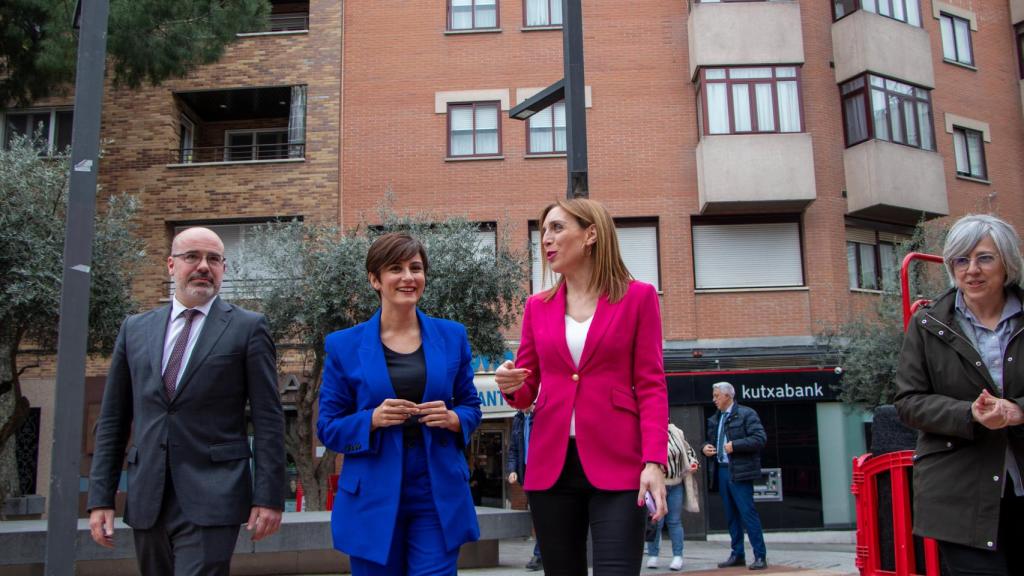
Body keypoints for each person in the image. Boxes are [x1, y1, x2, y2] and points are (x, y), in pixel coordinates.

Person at [87, 227, 286, 575]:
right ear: (171, 265)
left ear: (224, 268)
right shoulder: (134, 330)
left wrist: (269, 497)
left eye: (214, 259)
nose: (203, 266)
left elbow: (269, 419)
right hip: (149, 496)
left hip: (215, 494)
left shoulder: (248, 328)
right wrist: (100, 498)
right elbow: (114, 419)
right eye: (192, 256)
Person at [495, 198, 669, 576]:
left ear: (591, 234)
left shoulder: (638, 297)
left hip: (620, 464)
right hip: (551, 466)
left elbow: (652, 385)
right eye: (543, 233)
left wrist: (653, 462)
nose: (546, 240)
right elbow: (527, 389)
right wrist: (511, 385)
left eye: (557, 228)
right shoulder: (536, 306)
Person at [317, 232, 483, 576]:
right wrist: (372, 419)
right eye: (396, 268)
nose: (408, 277)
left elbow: (471, 407)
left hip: (436, 490)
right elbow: (328, 428)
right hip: (371, 495)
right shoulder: (343, 346)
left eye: (416, 268)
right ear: (374, 279)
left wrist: (453, 418)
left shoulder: (452, 336)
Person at [894, 214, 1024, 576]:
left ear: (1007, 263)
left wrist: (1018, 410)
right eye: (961, 260)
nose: (972, 270)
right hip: (959, 494)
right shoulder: (926, 325)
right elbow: (908, 402)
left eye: (984, 257)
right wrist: (970, 414)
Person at [702, 382, 767, 571]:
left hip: (740, 470)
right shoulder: (716, 418)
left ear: (728, 396)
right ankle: (737, 553)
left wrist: (736, 445)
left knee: (748, 513)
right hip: (722, 469)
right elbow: (710, 440)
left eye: (716, 396)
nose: (714, 399)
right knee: (731, 516)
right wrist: (704, 448)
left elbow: (759, 438)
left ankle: (760, 556)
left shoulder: (747, 414)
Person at [646, 421, 700, 571]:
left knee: (674, 521)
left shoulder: (676, 432)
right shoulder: (649, 431)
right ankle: (653, 555)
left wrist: (693, 462)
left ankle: (678, 556)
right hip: (658, 484)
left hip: (676, 483)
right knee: (657, 521)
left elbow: (688, 451)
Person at [507, 407, 543, 571]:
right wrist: (512, 470)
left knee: (544, 516)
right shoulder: (518, 419)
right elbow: (514, 449)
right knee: (537, 515)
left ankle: (540, 554)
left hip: (544, 471)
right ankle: (541, 554)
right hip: (527, 472)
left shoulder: (541, 415)